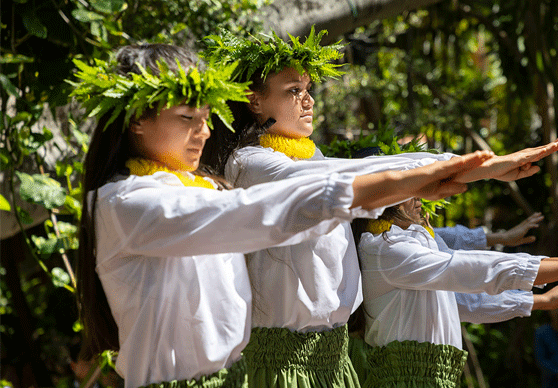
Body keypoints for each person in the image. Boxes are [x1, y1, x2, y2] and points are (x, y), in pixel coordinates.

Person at [73, 43, 495, 388]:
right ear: (136, 122)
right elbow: (267, 207)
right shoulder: (129, 203)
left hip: (284, 366)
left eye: (205, 119)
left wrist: (431, 171)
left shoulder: (205, 187)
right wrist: (429, 170)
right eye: (187, 118)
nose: (203, 132)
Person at [200, 28, 558, 388]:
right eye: (293, 91)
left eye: (308, 90)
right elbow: (341, 177)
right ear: (255, 100)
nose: (308, 101)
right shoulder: (253, 165)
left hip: (332, 357)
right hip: (283, 365)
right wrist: (458, 167)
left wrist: (453, 172)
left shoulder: (312, 156)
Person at [354, 198, 558, 388]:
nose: (420, 199)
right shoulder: (386, 248)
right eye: (409, 189)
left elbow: (463, 301)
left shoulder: (414, 242)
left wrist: (537, 300)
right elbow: (469, 269)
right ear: (385, 198)